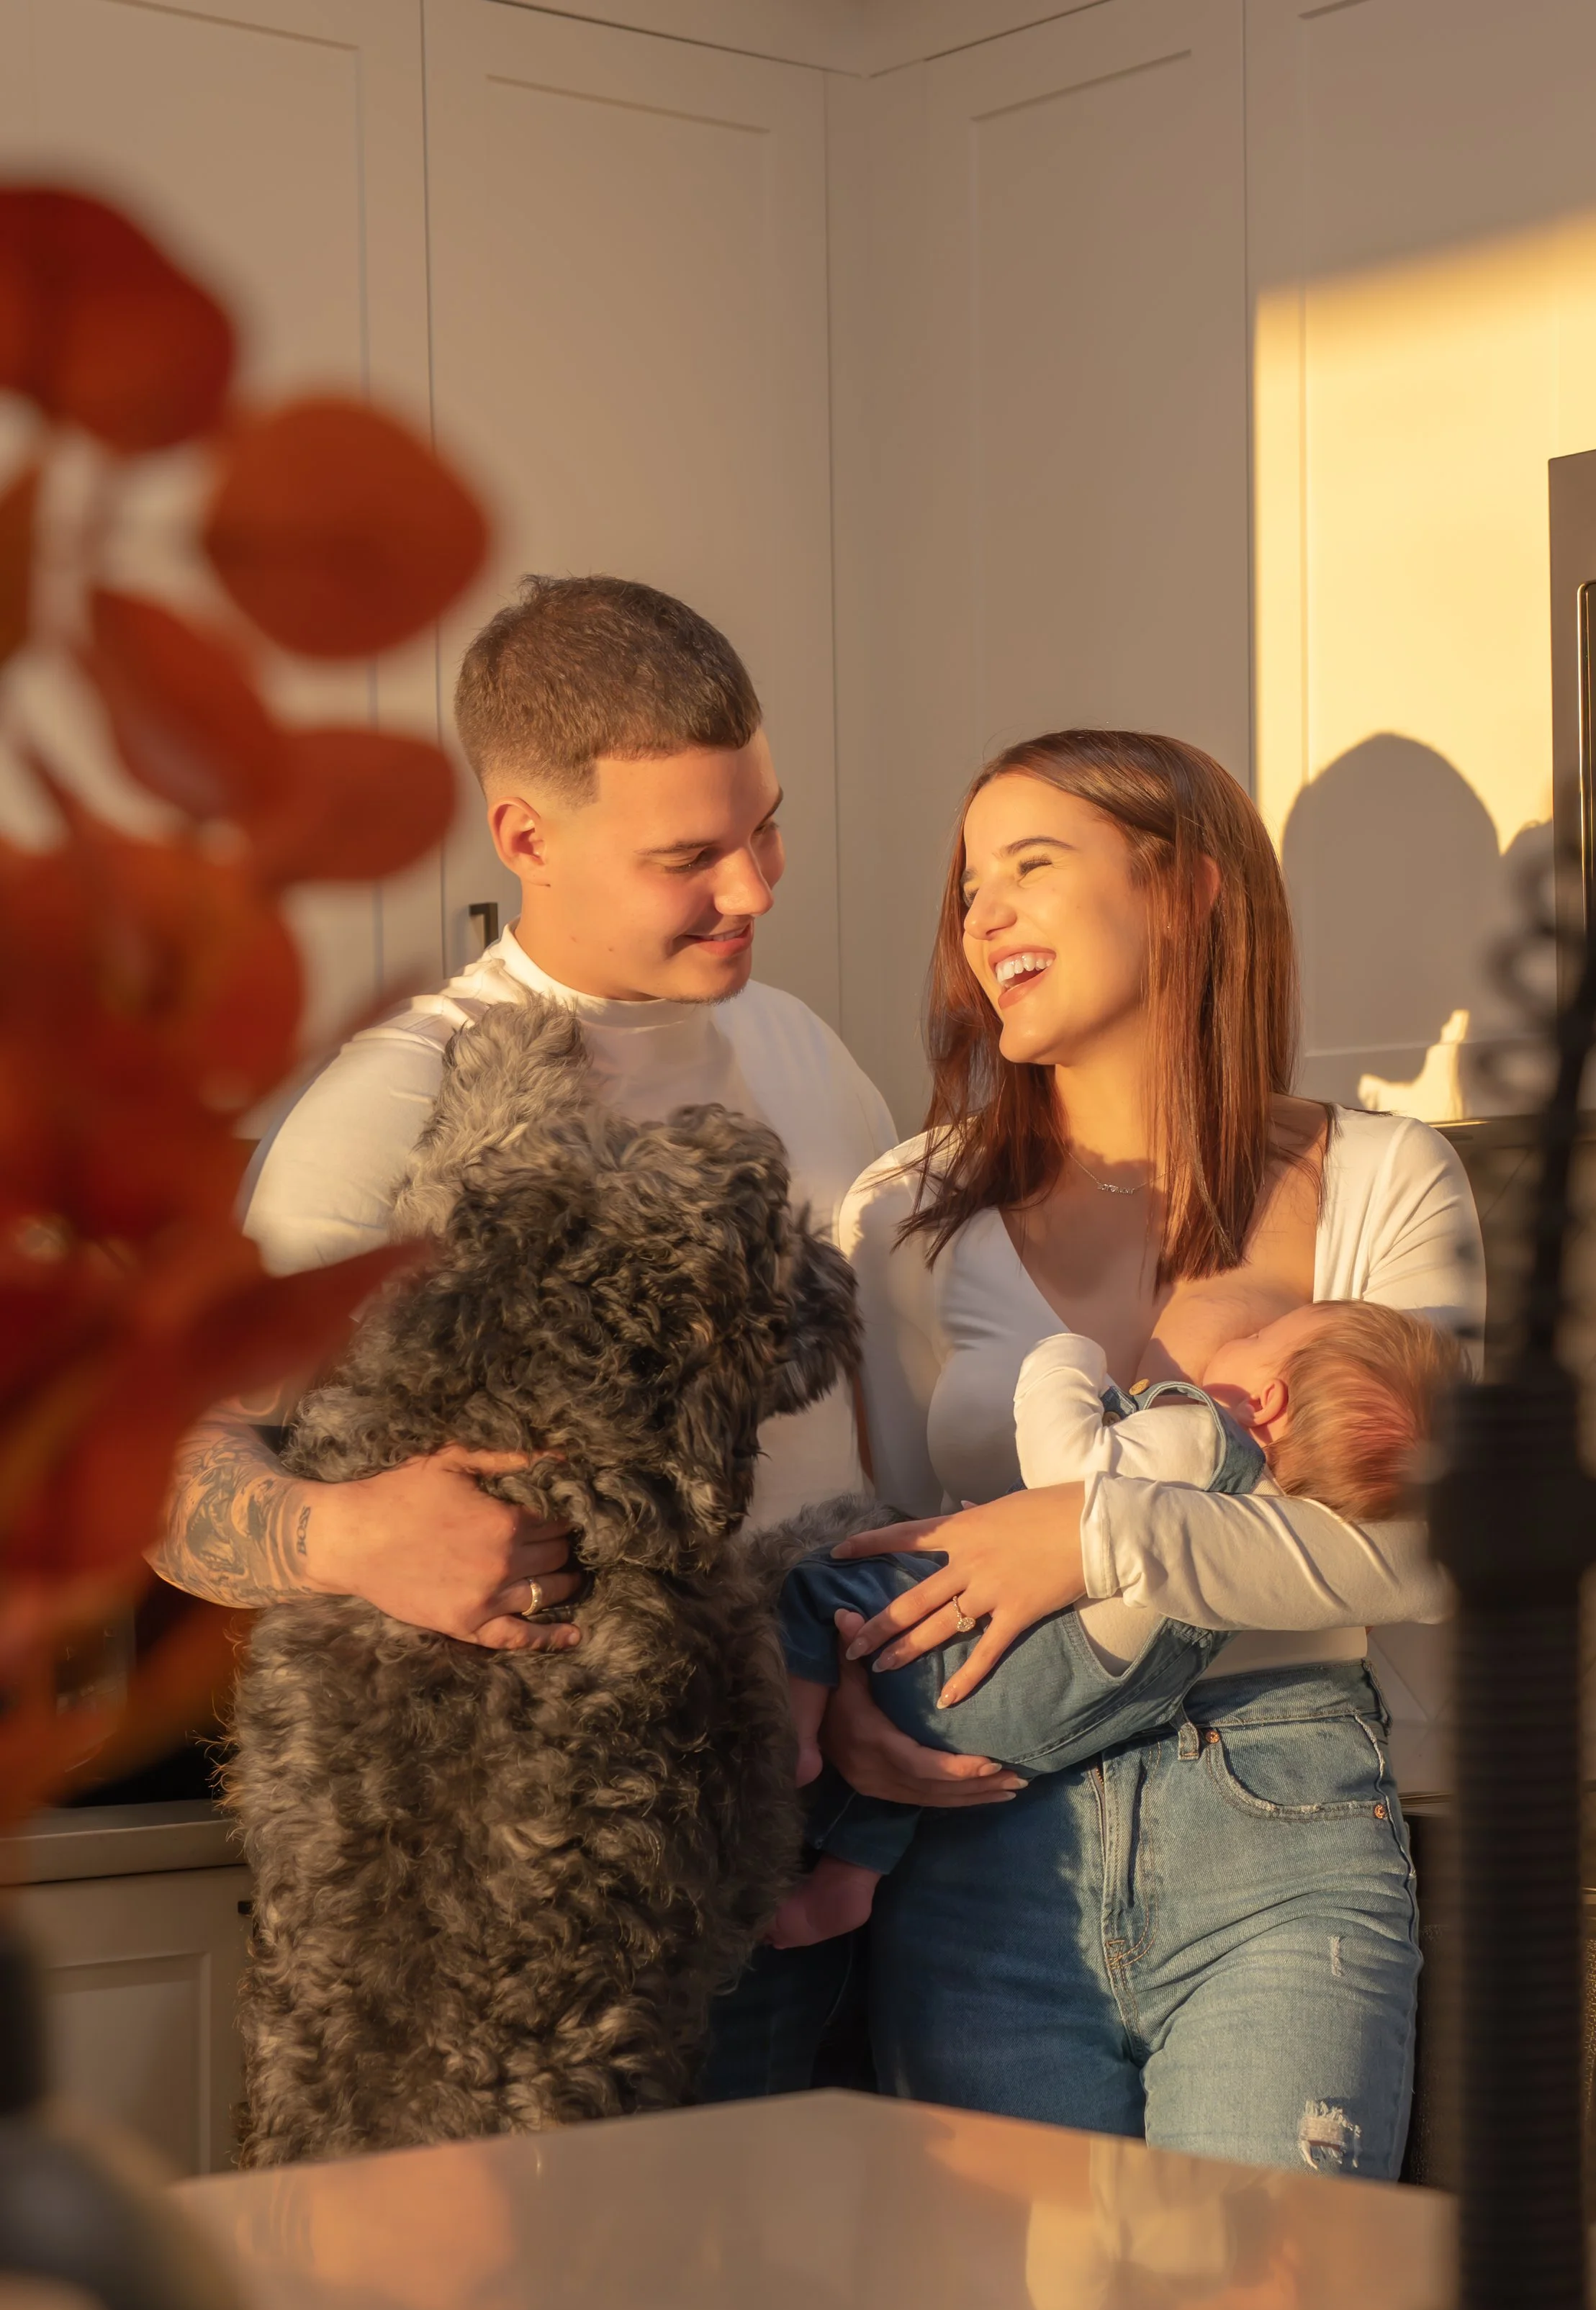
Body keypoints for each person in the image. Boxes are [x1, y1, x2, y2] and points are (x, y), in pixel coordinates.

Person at [148, 574, 1016, 2095]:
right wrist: (346, 1536)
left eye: (765, 826)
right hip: (535, 1905)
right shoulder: (402, 1104)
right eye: (689, 856)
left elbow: (872, 1442)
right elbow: (167, 1469)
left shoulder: (805, 1055)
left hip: (827, 1855)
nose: (753, 888)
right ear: (526, 836)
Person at [810, 726, 1482, 2173]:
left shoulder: (1382, 1176)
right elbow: (849, 1534)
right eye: (967, 884)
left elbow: (1427, 1547)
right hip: (987, 1837)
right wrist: (846, 1719)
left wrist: (1085, 1533)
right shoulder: (899, 1213)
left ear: (1186, 891)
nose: (981, 913)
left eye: (1030, 865)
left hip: (1281, 1820)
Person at [772, 1300, 1465, 1948]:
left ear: (1267, 1397)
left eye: (1258, 1336)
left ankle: (796, 1740)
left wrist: (1065, 1355)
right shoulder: (1263, 1544)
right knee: (920, 1739)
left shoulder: (1202, 1437)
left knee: (812, 1579)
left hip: (1001, 1661)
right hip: (1060, 1727)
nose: (1239, 1338)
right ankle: (847, 1880)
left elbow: (1066, 1469)